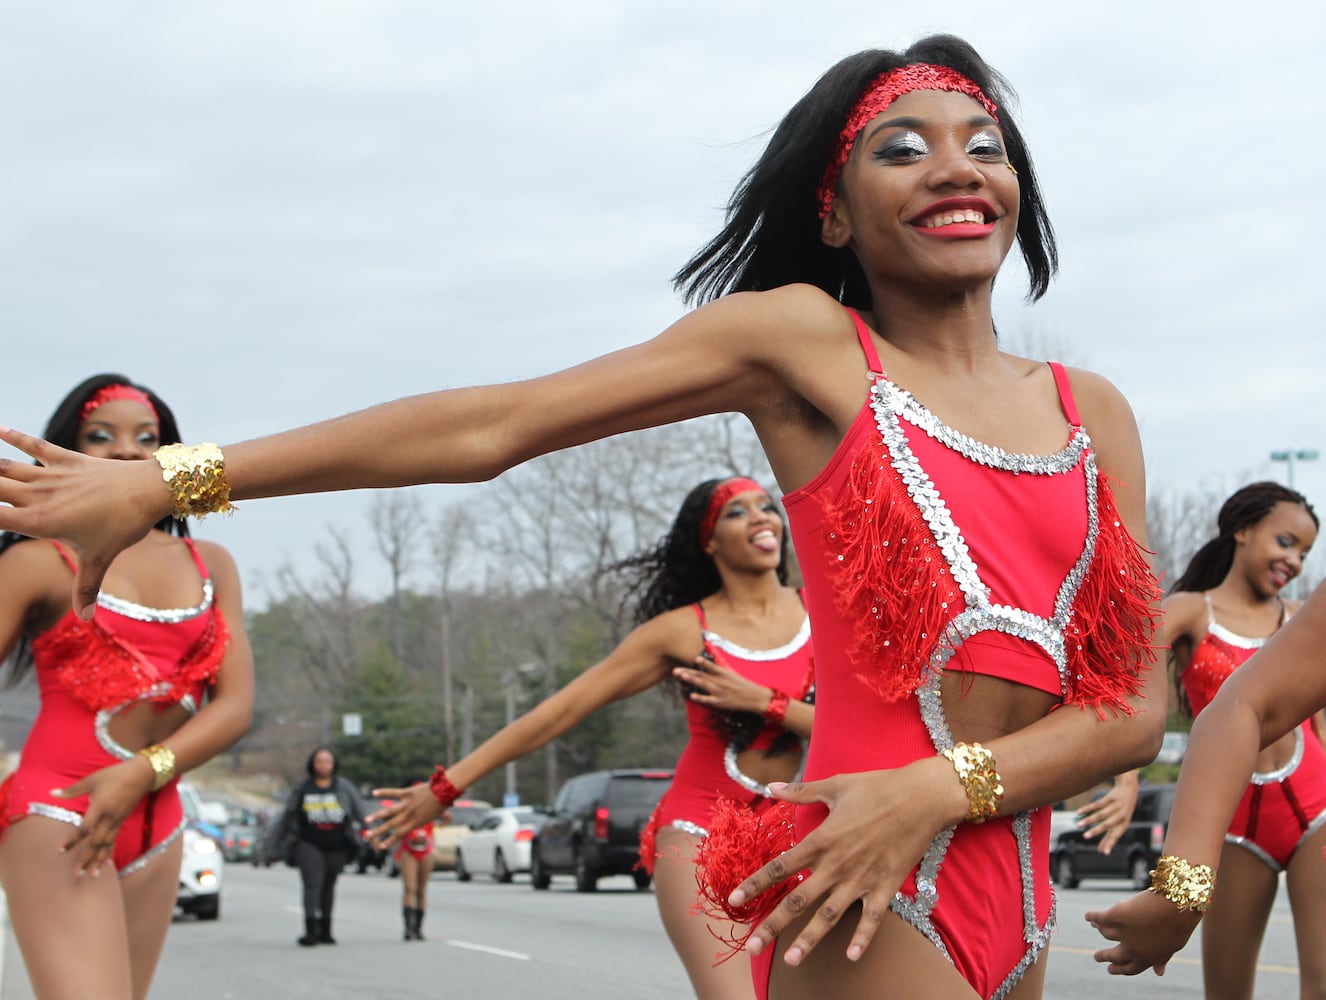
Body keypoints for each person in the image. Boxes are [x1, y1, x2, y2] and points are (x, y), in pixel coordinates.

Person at [0, 35, 1164, 999]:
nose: (956, 169)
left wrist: (937, 790)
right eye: (900, 149)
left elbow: (1128, 713)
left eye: (986, 147)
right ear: (838, 213)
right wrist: (172, 481)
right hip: (863, 884)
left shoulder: (1089, 411)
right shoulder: (807, 343)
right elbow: (494, 426)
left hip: (1002, 881)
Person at [371, 477, 815, 997]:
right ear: (709, 541)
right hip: (701, 836)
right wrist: (447, 787)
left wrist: (765, 703)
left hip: (804, 833)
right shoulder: (680, 631)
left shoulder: (821, 611)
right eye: (737, 512)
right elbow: (559, 712)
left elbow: (860, 725)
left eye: (766, 506)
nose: (762, 516)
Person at [0, 374, 253, 1000]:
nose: (127, 451)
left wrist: (144, 773)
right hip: (59, 814)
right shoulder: (36, 560)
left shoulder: (211, 564)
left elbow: (236, 705)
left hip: (160, 821)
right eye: (101, 436)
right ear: (67, 450)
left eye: (148, 438)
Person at [1092, 482, 1325, 998]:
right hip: (1233, 823)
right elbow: (1132, 692)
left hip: (1317, 807)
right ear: (1242, 530)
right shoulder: (1190, 611)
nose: (1295, 561)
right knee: (1227, 988)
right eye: (1286, 542)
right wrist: (1126, 780)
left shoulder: (1302, 618)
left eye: (1305, 553)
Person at [277, 746, 367, 946]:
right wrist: (274, 843)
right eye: (319, 761)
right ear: (312, 764)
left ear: (333, 764)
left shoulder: (344, 788)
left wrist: (374, 832)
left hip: (337, 843)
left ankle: (326, 929)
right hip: (308, 842)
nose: (323, 765)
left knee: (328, 886)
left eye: (327, 761)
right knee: (312, 884)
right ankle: (310, 930)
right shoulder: (303, 788)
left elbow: (361, 812)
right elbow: (287, 815)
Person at [391, 779, 435, 942]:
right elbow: (394, 825)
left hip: (426, 851)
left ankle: (419, 928)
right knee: (410, 887)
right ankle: (408, 928)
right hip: (408, 851)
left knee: (422, 890)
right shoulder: (404, 810)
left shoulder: (431, 809)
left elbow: (446, 817)